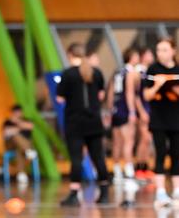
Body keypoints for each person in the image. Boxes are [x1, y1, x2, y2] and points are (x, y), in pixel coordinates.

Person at [56, 43, 109, 206]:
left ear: (70, 54)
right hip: (94, 121)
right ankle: (104, 193)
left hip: (75, 122)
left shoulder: (67, 74)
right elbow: (101, 95)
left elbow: (60, 98)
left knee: (76, 158)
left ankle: (74, 194)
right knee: (98, 157)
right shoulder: (96, 72)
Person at [142, 38, 179, 208]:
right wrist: (157, 86)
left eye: (164, 50)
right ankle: (161, 192)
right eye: (158, 50)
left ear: (173, 51)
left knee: (176, 154)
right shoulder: (153, 69)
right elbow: (146, 95)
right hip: (158, 119)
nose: (160, 53)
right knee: (160, 152)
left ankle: (177, 190)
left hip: (176, 118)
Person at [107, 48, 139, 183]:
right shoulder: (130, 73)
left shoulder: (117, 73)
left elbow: (110, 93)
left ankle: (116, 170)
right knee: (128, 141)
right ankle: (129, 171)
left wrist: (110, 110)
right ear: (131, 57)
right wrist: (132, 111)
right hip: (125, 109)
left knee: (117, 143)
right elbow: (130, 93)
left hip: (116, 109)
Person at [2, 105, 37, 185]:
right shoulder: (7, 122)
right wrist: (20, 128)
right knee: (15, 136)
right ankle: (28, 151)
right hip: (11, 144)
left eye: (19, 112)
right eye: (15, 112)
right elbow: (6, 133)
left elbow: (30, 126)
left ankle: (21, 174)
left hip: (23, 145)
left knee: (19, 149)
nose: (17, 114)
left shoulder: (26, 120)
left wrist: (17, 123)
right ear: (12, 113)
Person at [134, 47, 154, 180]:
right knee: (144, 138)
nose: (151, 56)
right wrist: (141, 111)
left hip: (150, 109)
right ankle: (139, 167)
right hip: (142, 109)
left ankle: (145, 167)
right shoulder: (138, 72)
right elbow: (135, 95)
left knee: (147, 140)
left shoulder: (148, 72)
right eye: (149, 54)